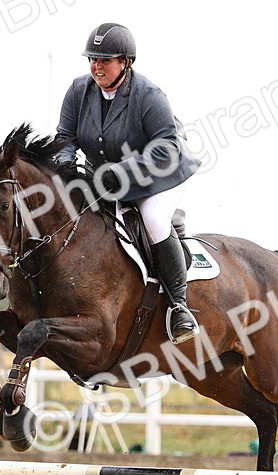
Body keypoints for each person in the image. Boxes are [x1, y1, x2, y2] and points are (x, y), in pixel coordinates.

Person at [56, 22, 202, 344]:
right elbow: (65, 138)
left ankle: (179, 306)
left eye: (104, 60)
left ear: (125, 62)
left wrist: (122, 172)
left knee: (150, 216)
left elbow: (167, 148)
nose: (96, 66)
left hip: (161, 174)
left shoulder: (148, 96)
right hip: (109, 177)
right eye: (92, 58)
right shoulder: (79, 91)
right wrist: (65, 165)